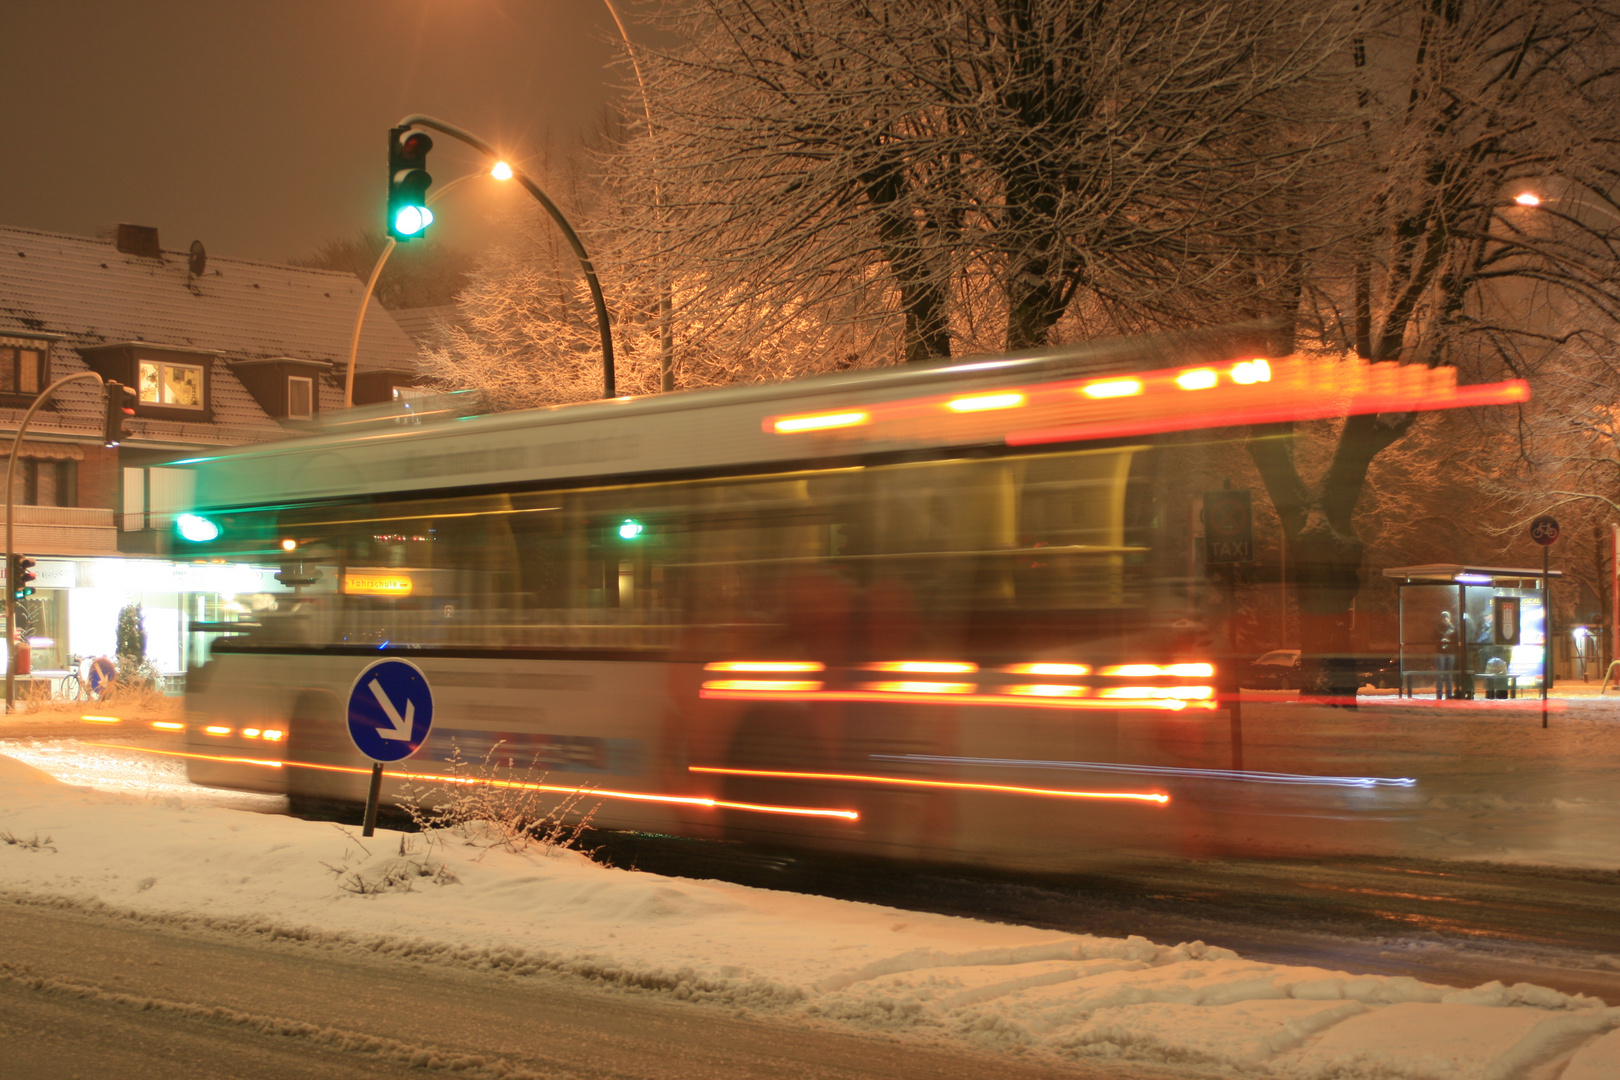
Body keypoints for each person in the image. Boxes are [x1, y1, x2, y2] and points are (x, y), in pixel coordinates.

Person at [1435, 610, 1457, 699]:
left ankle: (1449, 692)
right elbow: (1433, 638)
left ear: (1449, 618)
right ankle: (1439, 693)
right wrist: (1440, 640)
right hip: (1440, 652)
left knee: (1448, 674)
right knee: (1440, 674)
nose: (1445, 619)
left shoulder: (1453, 628)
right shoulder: (1437, 628)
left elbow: (1456, 638)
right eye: (1444, 617)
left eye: (1447, 617)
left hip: (1449, 652)